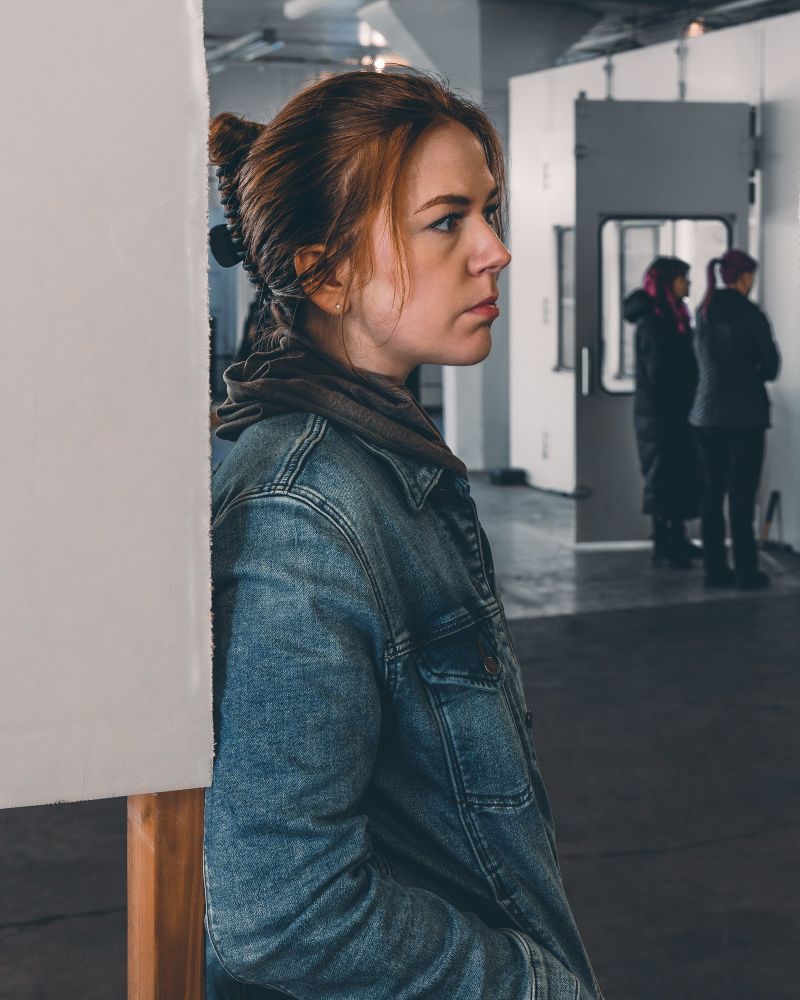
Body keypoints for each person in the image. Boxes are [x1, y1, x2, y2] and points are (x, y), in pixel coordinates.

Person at [204, 70, 603, 1000]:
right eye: (447, 220)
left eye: (490, 212)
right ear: (323, 270)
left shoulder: (381, 467)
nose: (496, 250)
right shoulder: (305, 514)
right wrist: (534, 986)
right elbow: (283, 912)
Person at [690, 249, 780, 589]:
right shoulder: (750, 314)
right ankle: (746, 572)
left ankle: (714, 570)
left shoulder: (705, 310)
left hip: (705, 415)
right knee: (742, 498)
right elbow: (771, 368)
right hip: (745, 418)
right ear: (744, 277)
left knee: (711, 497)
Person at [623, 256, 701, 568]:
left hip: (673, 412)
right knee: (662, 477)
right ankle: (665, 544)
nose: (688, 283)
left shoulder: (673, 316)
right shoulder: (654, 322)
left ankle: (678, 538)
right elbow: (661, 373)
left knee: (678, 475)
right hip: (660, 415)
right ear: (668, 283)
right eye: (683, 278)